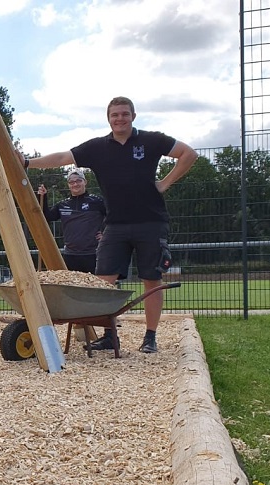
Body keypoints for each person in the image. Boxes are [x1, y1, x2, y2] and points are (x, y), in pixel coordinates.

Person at [19, 96, 197, 353]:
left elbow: (188, 154)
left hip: (151, 222)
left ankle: (150, 337)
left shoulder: (151, 140)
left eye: (125, 114)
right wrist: (27, 162)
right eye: (115, 115)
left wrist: (165, 183)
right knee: (103, 282)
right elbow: (61, 158)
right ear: (108, 119)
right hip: (115, 225)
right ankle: (109, 335)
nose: (120, 119)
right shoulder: (97, 148)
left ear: (133, 116)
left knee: (151, 280)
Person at [37, 169, 106, 274]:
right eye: (72, 182)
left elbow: (113, 217)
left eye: (78, 181)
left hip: (93, 254)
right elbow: (47, 217)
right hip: (70, 255)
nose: (75, 184)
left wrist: (105, 234)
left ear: (85, 182)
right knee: (73, 287)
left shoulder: (97, 201)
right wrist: (43, 197)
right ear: (68, 185)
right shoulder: (63, 205)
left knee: (95, 287)